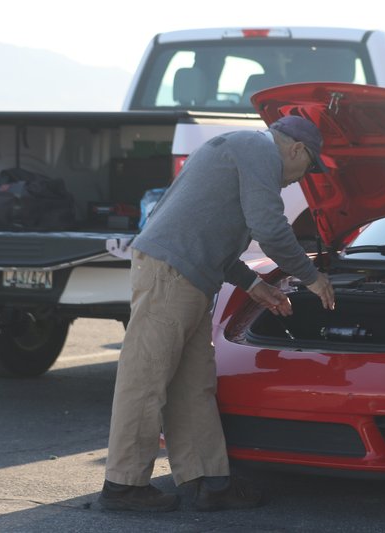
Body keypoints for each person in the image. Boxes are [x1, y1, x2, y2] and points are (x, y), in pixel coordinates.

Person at [98, 115, 336, 512]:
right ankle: (122, 487)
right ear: (295, 148)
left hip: (186, 276)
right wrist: (311, 277)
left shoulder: (242, 148)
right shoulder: (259, 150)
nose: (301, 178)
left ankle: (210, 482)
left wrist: (256, 286)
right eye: (309, 166)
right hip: (170, 275)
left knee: (194, 384)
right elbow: (269, 227)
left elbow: (211, 232)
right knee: (145, 379)